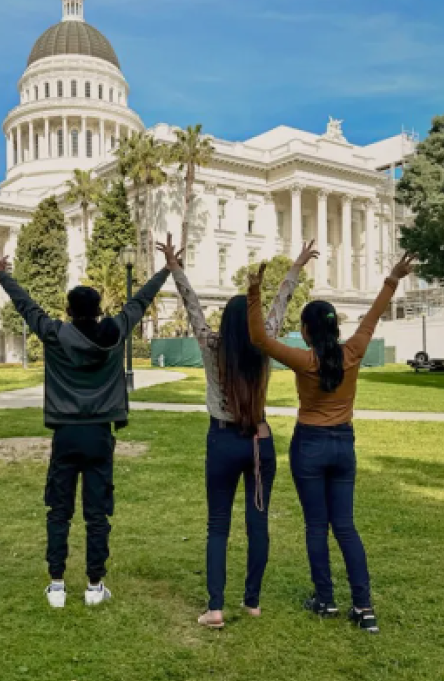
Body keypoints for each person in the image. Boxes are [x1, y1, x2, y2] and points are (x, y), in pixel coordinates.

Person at [0, 247, 171, 609]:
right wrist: (167, 269)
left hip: (66, 432)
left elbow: (27, 307)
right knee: (97, 511)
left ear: (69, 311)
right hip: (100, 432)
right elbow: (141, 300)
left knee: (59, 509)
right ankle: (94, 584)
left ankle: (57, 584)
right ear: (100, 309)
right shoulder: (115, 332)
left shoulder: (56, 335)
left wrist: (2, 275)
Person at [247, 252, 416, 634]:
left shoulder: (302, 359)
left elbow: (258, 337)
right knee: (345, 527)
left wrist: (255, 294)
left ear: (306, 331)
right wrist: (392, 278)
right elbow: (373, 316)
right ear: (336, 328)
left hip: (309, 444)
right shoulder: (353, 352)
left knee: (315, 526)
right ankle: (364, 607)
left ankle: (325, 599)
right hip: (343, 445)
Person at [159, 234, 318, 629]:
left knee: (218, 525)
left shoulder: (211, 346)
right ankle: (252, 602)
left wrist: (175, 268)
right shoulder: (262, 345)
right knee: (257, 523)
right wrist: (295, 268)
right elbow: (279, 306)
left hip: (223, 441)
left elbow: (193, 307)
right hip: (259, 443)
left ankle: (215, 608)